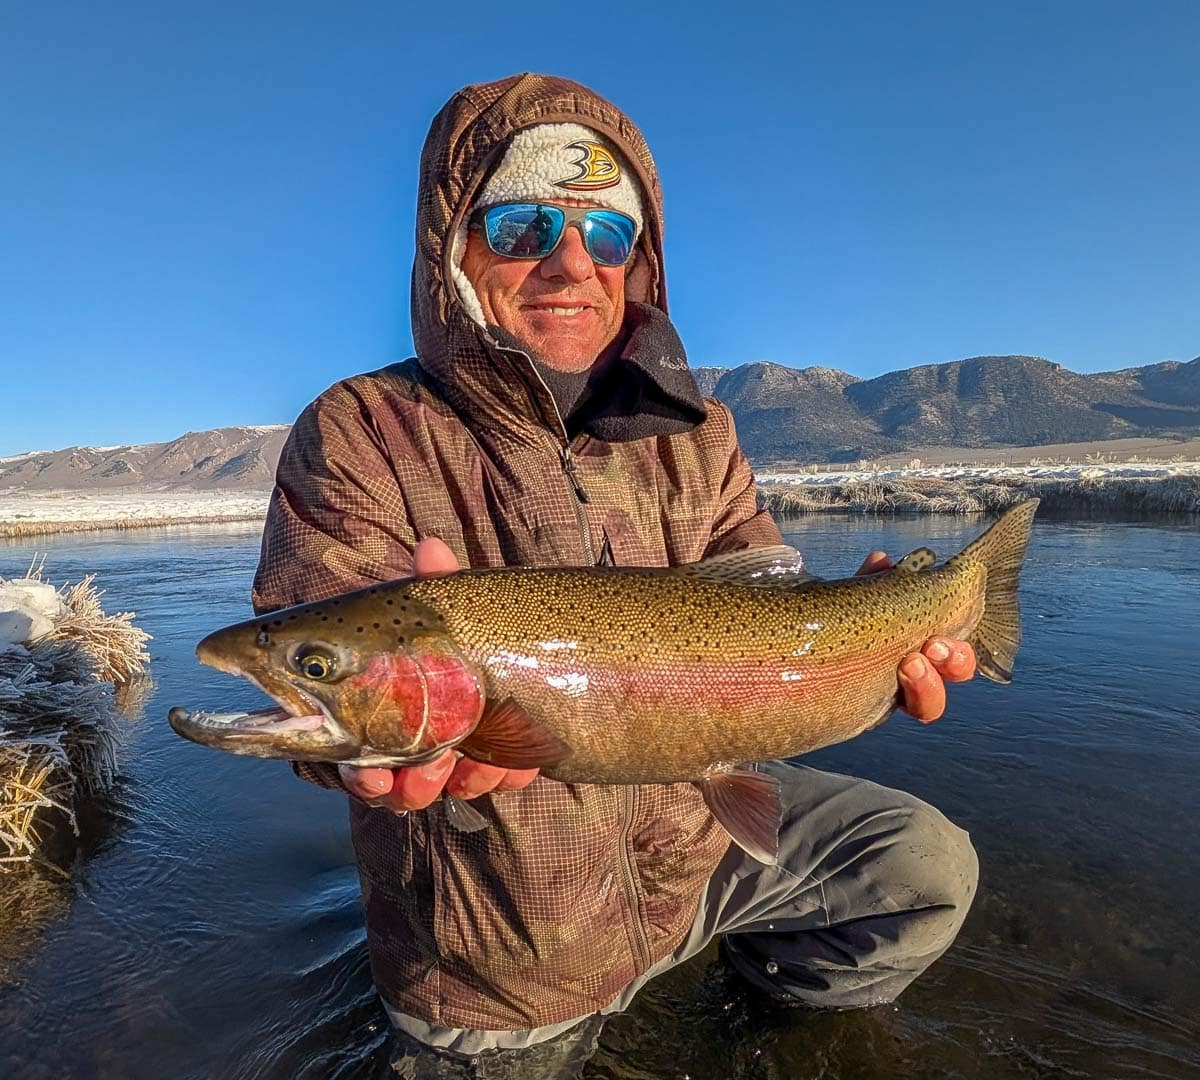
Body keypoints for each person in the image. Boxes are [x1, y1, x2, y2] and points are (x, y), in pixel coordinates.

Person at [252, 73, 979, 1077]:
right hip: (505, 952)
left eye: (606, 238)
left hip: (694, 855)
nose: (569, 265)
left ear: (638, 265)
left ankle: (757, 1019)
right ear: (449, 248)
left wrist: (869, 626)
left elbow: (762, 599)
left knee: (921, 866)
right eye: (520, 225)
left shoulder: (701, 435)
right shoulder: (362, 433)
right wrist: (363, 746)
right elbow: (341, 687)